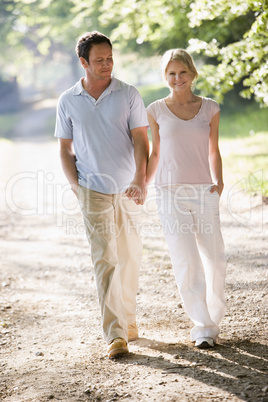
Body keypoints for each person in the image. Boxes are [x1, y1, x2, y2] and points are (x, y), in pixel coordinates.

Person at [54, 31, 149, 358]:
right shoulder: (68, 100)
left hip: (128, 188)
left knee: (130, 257)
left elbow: (140, 139)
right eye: (99, 60)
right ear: (83, 63)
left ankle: (129, 321)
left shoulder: (128, 94)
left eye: (110, 58)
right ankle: (116, 335)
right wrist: (76, 187)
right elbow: (65, 150)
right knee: (105, 260)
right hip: (91, 189)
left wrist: (141, 178)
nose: (107, 64)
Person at [146, 49, 227, 348]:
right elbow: (155, 153)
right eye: (171, 73)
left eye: (182, 72)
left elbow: (213, 149)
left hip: (204, 190)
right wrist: (142, 184)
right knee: (186, 259)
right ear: (165, 77)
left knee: (215, 257)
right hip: (168, 192)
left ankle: (214, 315)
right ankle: (203, 327)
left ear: (192, 74)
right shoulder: (154, 110)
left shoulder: (210, 108)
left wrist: (219, 181)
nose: (177, 78)